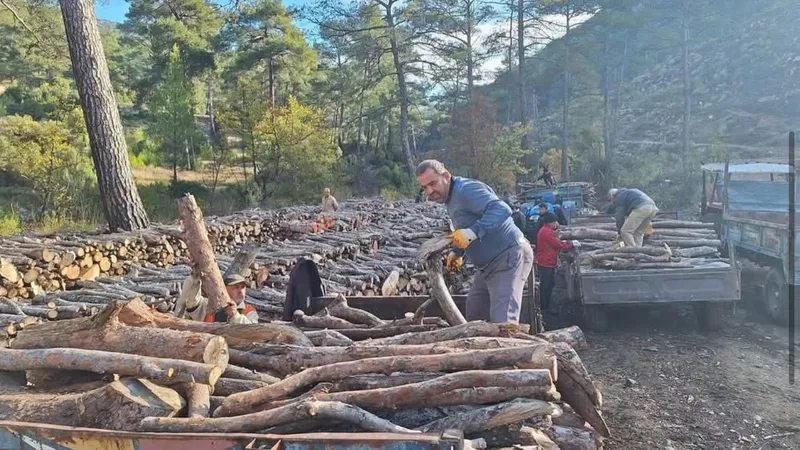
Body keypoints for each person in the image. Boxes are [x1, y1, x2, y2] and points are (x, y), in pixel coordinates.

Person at [416, 159, 533, 324]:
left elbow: (501, 209)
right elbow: (465, 226)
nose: (429, 191)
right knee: (476, 312)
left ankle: (507, 341)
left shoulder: (466, 190)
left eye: (433, 184)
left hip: (508, 257)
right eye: (424, 188)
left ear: (446, 176)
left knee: (503, 321)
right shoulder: (451, 197)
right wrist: (458, 252)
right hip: (487, 266)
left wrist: (473, 232)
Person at [535, 212, 579, 312]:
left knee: (548, 284)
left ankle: (545, 305)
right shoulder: (547, 232)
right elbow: (558, 245)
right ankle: (545, 307)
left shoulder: (545, 230)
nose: (556, 224)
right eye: (555, 222)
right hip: (546, 262)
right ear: (550, 223)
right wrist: (571, 244)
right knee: (546, 285)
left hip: (546, 261)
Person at [174, 273, 259, 324]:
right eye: (236, 287)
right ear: (224, 289)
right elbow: (190, 300)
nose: (241, 291)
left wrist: (235, 316)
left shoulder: (249, 311)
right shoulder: (209, 305)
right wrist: (194, 277)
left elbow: (254, 332)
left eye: (243, 287)